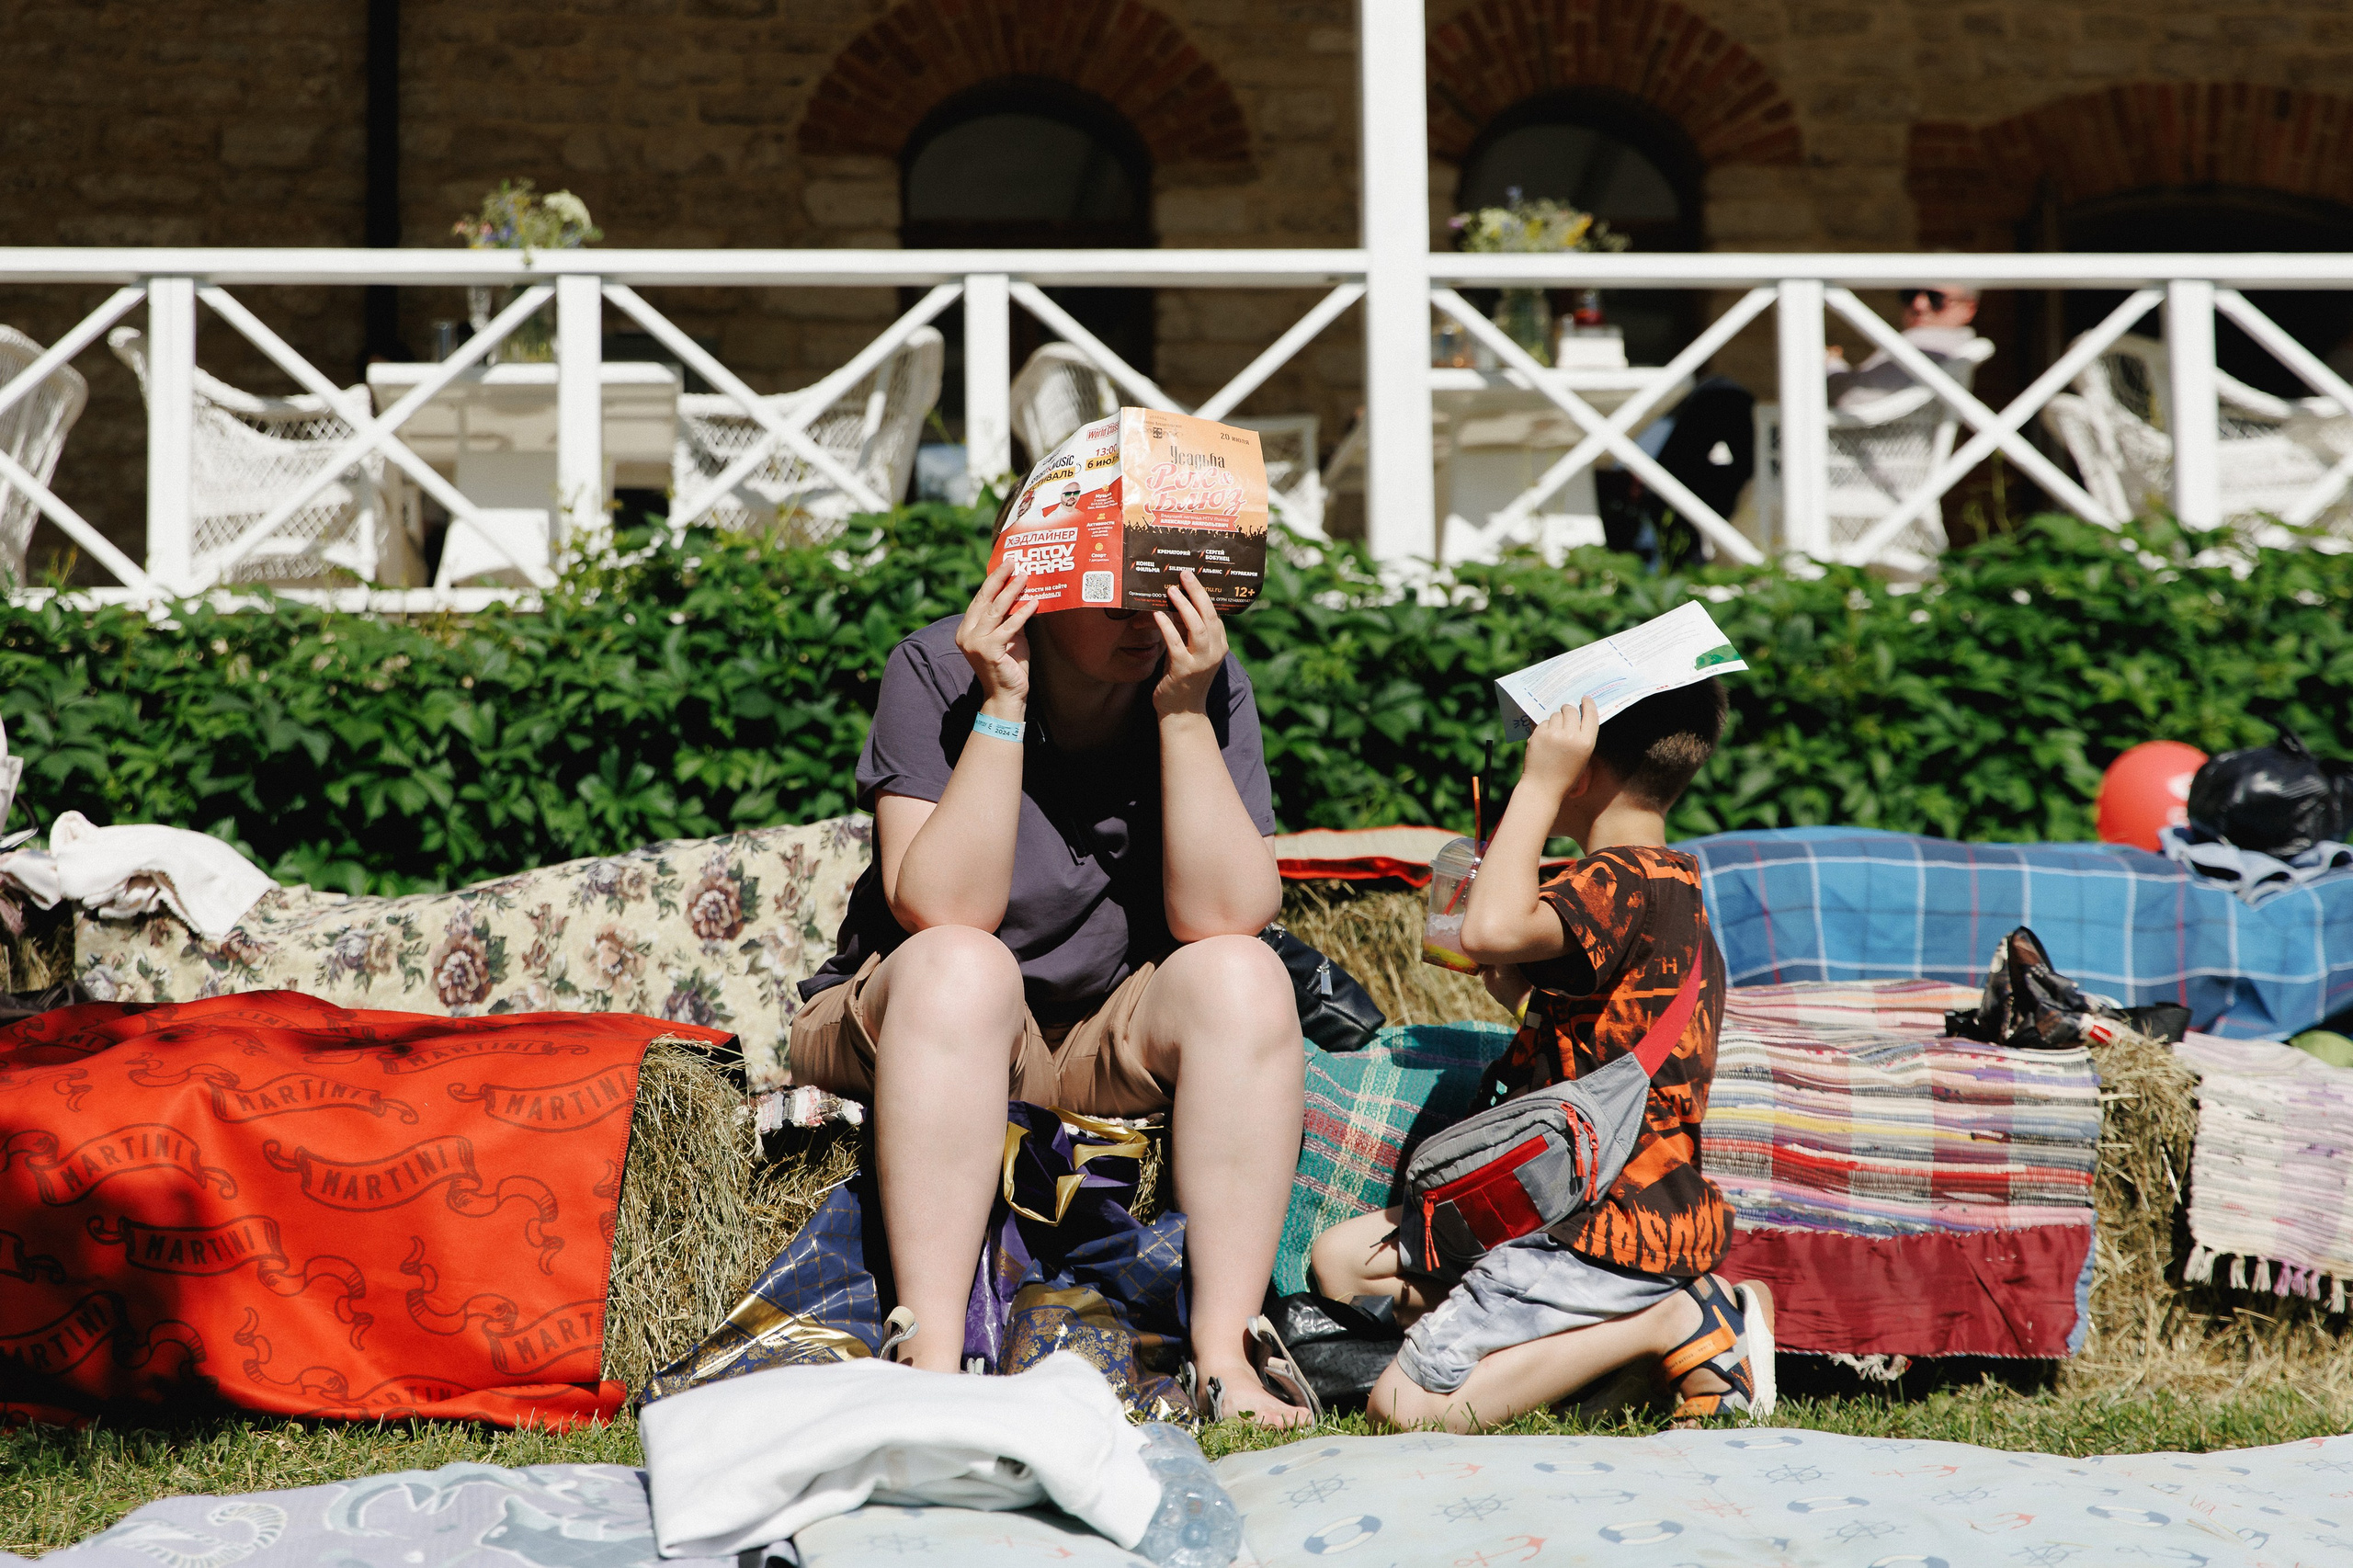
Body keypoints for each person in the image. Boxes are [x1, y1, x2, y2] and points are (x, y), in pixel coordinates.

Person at [790, 558, 1311, 1426]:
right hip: (918, 1011)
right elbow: (941, 909)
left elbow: (1229, 913)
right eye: (1116, 598)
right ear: (1042, 585)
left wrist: (1183, 715)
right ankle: (930, 1356)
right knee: (966, 964)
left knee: (1246, 975)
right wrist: (1002, 704)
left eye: (1169, 592)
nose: (1147, 619)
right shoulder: (938, 670)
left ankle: (1224, 1361)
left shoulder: (1203, 679)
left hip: (1095, 1037)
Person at [1309, 681, 1772, 1432]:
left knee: (1404, 1407)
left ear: (1581, 770)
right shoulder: (1669, 889)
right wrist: (1522, 1003)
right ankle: (1584, 1358)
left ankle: (1682, 1322)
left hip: (1603, 1224)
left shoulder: (1620, 876)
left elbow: (1491, 929)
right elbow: (1606, 1055)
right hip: (1565, 1198)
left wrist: (1537, 782)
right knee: (1340, 1260)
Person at [1826, 284, 1980, 412]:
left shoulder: (1926, 342)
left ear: (1969, 308)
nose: (1918, 304)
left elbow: (1852, 398)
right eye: (1910, 294)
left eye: (1936, 299)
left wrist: (1828, 363)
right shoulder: (1960, 345)